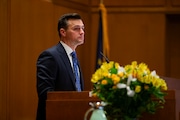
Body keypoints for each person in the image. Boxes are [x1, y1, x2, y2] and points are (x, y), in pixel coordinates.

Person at [36, 13, 85, 120]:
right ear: (63, 32)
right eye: (76, 29)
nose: (82, 32)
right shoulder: (50, 56)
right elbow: (46, 94)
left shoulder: (74, 57)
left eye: (82, 28)